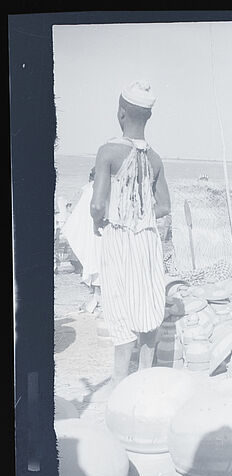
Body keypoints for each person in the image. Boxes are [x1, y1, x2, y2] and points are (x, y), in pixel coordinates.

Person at [91, 80, 171, 385]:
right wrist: (143, 214)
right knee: (148, 303)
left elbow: (98, 204)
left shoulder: (108, 151)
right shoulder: (156, 158)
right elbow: (164, 205)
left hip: (120, 237)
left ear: (121, 113)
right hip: (148, 238)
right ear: (147, 117)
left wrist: (99, 220)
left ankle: (120, 384)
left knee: (120, 306)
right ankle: (146, 379)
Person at [62, 167, 102, 311]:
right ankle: (98, 296)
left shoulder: (88, 189)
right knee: (96, 258)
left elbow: (76, 213)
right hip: (97, 229)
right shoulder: (92, 189)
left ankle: (97, 296)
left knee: (94, 258)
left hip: (94, 229)